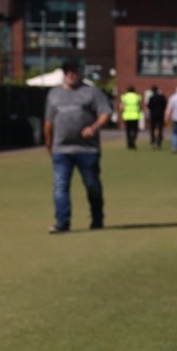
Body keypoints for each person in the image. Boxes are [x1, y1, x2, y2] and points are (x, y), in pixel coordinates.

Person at [42, 58, 112, 233]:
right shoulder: (54, 94)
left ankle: (97, 218)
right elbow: (49, 121)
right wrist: (48, 143)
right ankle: (62, 222)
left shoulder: (92, 92)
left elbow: (105, 113)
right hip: (61, 149)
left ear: (80, 72)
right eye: (68, 71)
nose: (71, 74)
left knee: (92, 185)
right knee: (60, 186)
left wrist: (94, 127)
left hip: (87, 149)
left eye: (74, 71)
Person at [119, 83, 143, 149]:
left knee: (128, 130)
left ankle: (129, 143)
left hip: (127, 116)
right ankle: (133, 141)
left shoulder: (124, 97)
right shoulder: (137, 96)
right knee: (135, 130)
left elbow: (121, 107)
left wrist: (122, 112)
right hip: (135, 115)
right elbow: (140, 106)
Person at [144, 85, 165, 152]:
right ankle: (159, 142)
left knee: (152, 129)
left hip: (153, 115)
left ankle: (153, 142)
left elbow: (149, 106)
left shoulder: (151, 98)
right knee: (160, 129)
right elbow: (165, 105)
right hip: (160, 115)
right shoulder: (162, 97)